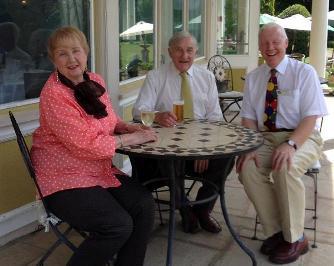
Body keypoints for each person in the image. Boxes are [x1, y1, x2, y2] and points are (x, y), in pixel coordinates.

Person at [31, 26, 157, 266]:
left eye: (76, 51)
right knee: (117, 225)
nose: (71, 59)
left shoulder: (94, 81)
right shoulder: (54, 94)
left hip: (98, 172)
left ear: (86, 52)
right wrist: (130, 140)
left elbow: (107, 120)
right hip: (62, 179)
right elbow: (85, 145)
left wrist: (127, 128)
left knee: (143, 205)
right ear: (52, 59)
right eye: (62, 54)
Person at [236, 23, 328, 264]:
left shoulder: (304, 73)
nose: (270, 47)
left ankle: (296, 238)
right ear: (259, 47)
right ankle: (278, 232)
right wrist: (251, 146)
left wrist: (291, 144)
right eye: (265, 43)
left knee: (285, 166)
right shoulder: (255, 77)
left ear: (286, 44)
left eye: (276, 42)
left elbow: (311, 117)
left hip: (302, 136)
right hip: (265, 138)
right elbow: (248, 118)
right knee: (247, 168)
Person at [132, 31, 234, 234]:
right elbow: (138, 110)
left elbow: (215, 118)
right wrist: (157, 115)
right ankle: (184, 208)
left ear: (196, 52)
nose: (184, 55)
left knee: (228, 158)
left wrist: (205, 149)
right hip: (167, 148)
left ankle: (202, 210)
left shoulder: (206, 77)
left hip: (200, 144)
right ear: (170, 52)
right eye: (178, 50)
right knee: (171, 158)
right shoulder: (156, 76)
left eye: (189, 50)